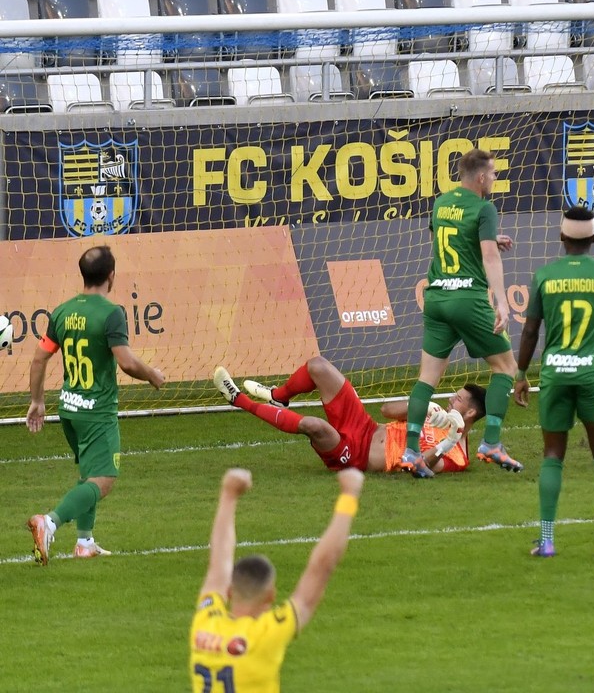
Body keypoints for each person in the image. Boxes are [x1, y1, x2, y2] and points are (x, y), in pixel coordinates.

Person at [25, 245, 165, 565]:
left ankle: (85, 543)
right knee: (104, 480)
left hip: (68, 409)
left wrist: (36, 401)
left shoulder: (61, 311)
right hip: (96, 412)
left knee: (89, 475)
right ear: (111, 276)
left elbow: (39, 358)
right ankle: (50, 522)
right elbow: (126, 362)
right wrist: (153, 376)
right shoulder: (110, 313)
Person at [514, 206, 594, 558]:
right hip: (591, 376)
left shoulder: (544, 276)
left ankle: (548, 541)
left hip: (555, 374)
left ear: (561, 237)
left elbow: (529, 331)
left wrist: (521, 374)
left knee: (553, 454)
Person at [401, 147, 523, 478]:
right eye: (495, 174)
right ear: (481, 177)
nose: (496, 179)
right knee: (505, 368)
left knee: (426, 378)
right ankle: (492, 442)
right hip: (467, 298)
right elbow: (489, 258)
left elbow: (447, 237)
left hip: (437, 298)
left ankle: (411, 451)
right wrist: (501, 301)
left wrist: (489, 237)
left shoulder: (442, 202)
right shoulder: (485, 208)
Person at [189, 466, 363, 692]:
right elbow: (322, 567)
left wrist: (229, 494)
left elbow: (218, 564)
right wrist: (349, 496)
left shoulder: (205, 622)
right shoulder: (267, 634)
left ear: (229, 591)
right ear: (271, 595)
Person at [213, 355, 485, 475]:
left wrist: (448, 440)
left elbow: (422, 467)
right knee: (318, 366)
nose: (451, 399)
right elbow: (386, 411)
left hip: (357, 456)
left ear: (470, 412)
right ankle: (279, 396)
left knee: (313, 425)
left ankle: (238, 399)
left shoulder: (458, 457)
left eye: (458, 399)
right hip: (364, 427)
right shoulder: (438, 415)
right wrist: (425, 407)